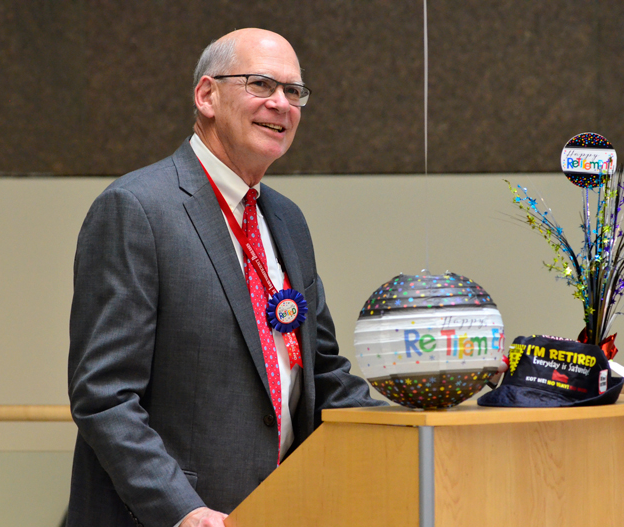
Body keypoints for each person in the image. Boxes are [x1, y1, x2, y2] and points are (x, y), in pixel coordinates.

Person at [67, 28, 385, 527]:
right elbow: (105, 396)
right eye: (261, 84)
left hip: (279, 507)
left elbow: (323, 374)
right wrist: (183, 511)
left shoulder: (286, 220)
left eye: (294, 91)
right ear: (207, 96)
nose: (281, 104)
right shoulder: (136, 209)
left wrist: (430, 404)